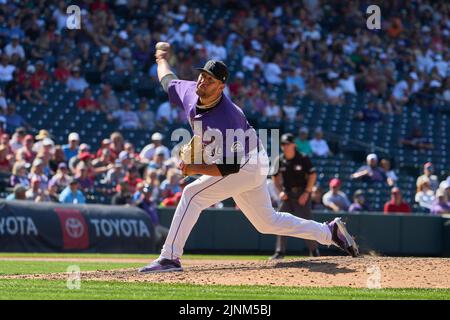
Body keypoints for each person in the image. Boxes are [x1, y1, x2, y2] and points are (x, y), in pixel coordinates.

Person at [138, 43, 358, 273]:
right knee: (266, 222)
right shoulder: (190, 91)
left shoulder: (227, 117)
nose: (203, 81)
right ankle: (329, 232)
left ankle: (169, 258)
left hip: (246, 164)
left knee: (192, 194)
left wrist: (195, 168)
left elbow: (229, 168)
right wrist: (161, 59)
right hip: (250, 160)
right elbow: (167, 81)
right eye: (202, 75)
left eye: (210, 80)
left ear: (221, 86)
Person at [270, 133, 320, 259]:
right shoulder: (279, 160)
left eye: (288, 143)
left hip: (302, 194)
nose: (285, 146)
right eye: (283, 144)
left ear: (294, 145)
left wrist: (307, 192)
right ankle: (280, 252)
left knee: (307, 223)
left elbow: (313, 175)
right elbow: (274, 177)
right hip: (287, 195)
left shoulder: (303, 158)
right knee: (280, 222)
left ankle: (314, 252)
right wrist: (280, 191)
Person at [135, 185, 169, 250]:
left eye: (148, 193)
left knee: (169, 234)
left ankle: (167, 252)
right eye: (146, 193)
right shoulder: (140, 203)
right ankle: (156, 252)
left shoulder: (152, 202)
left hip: (156, 225)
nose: (147, 194)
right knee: (158, 236)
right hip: (147, 226)